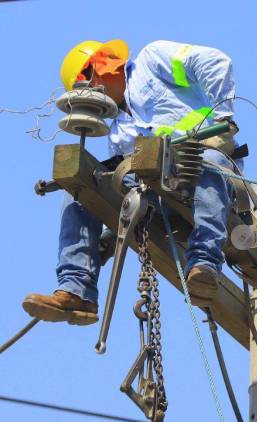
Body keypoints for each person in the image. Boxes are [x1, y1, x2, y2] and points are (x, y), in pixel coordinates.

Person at [23, 39, 240, 325]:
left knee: (209, 162)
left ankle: (204, 264)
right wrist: (107, 240)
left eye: (86, 87)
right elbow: (130, 194)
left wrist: (222, 116)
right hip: (160, 197)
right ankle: (77, 290)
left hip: (197, 172)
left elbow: (215, 61)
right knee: (81, 189)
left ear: (98, 69)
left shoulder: (152, 61)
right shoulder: (118, 133)